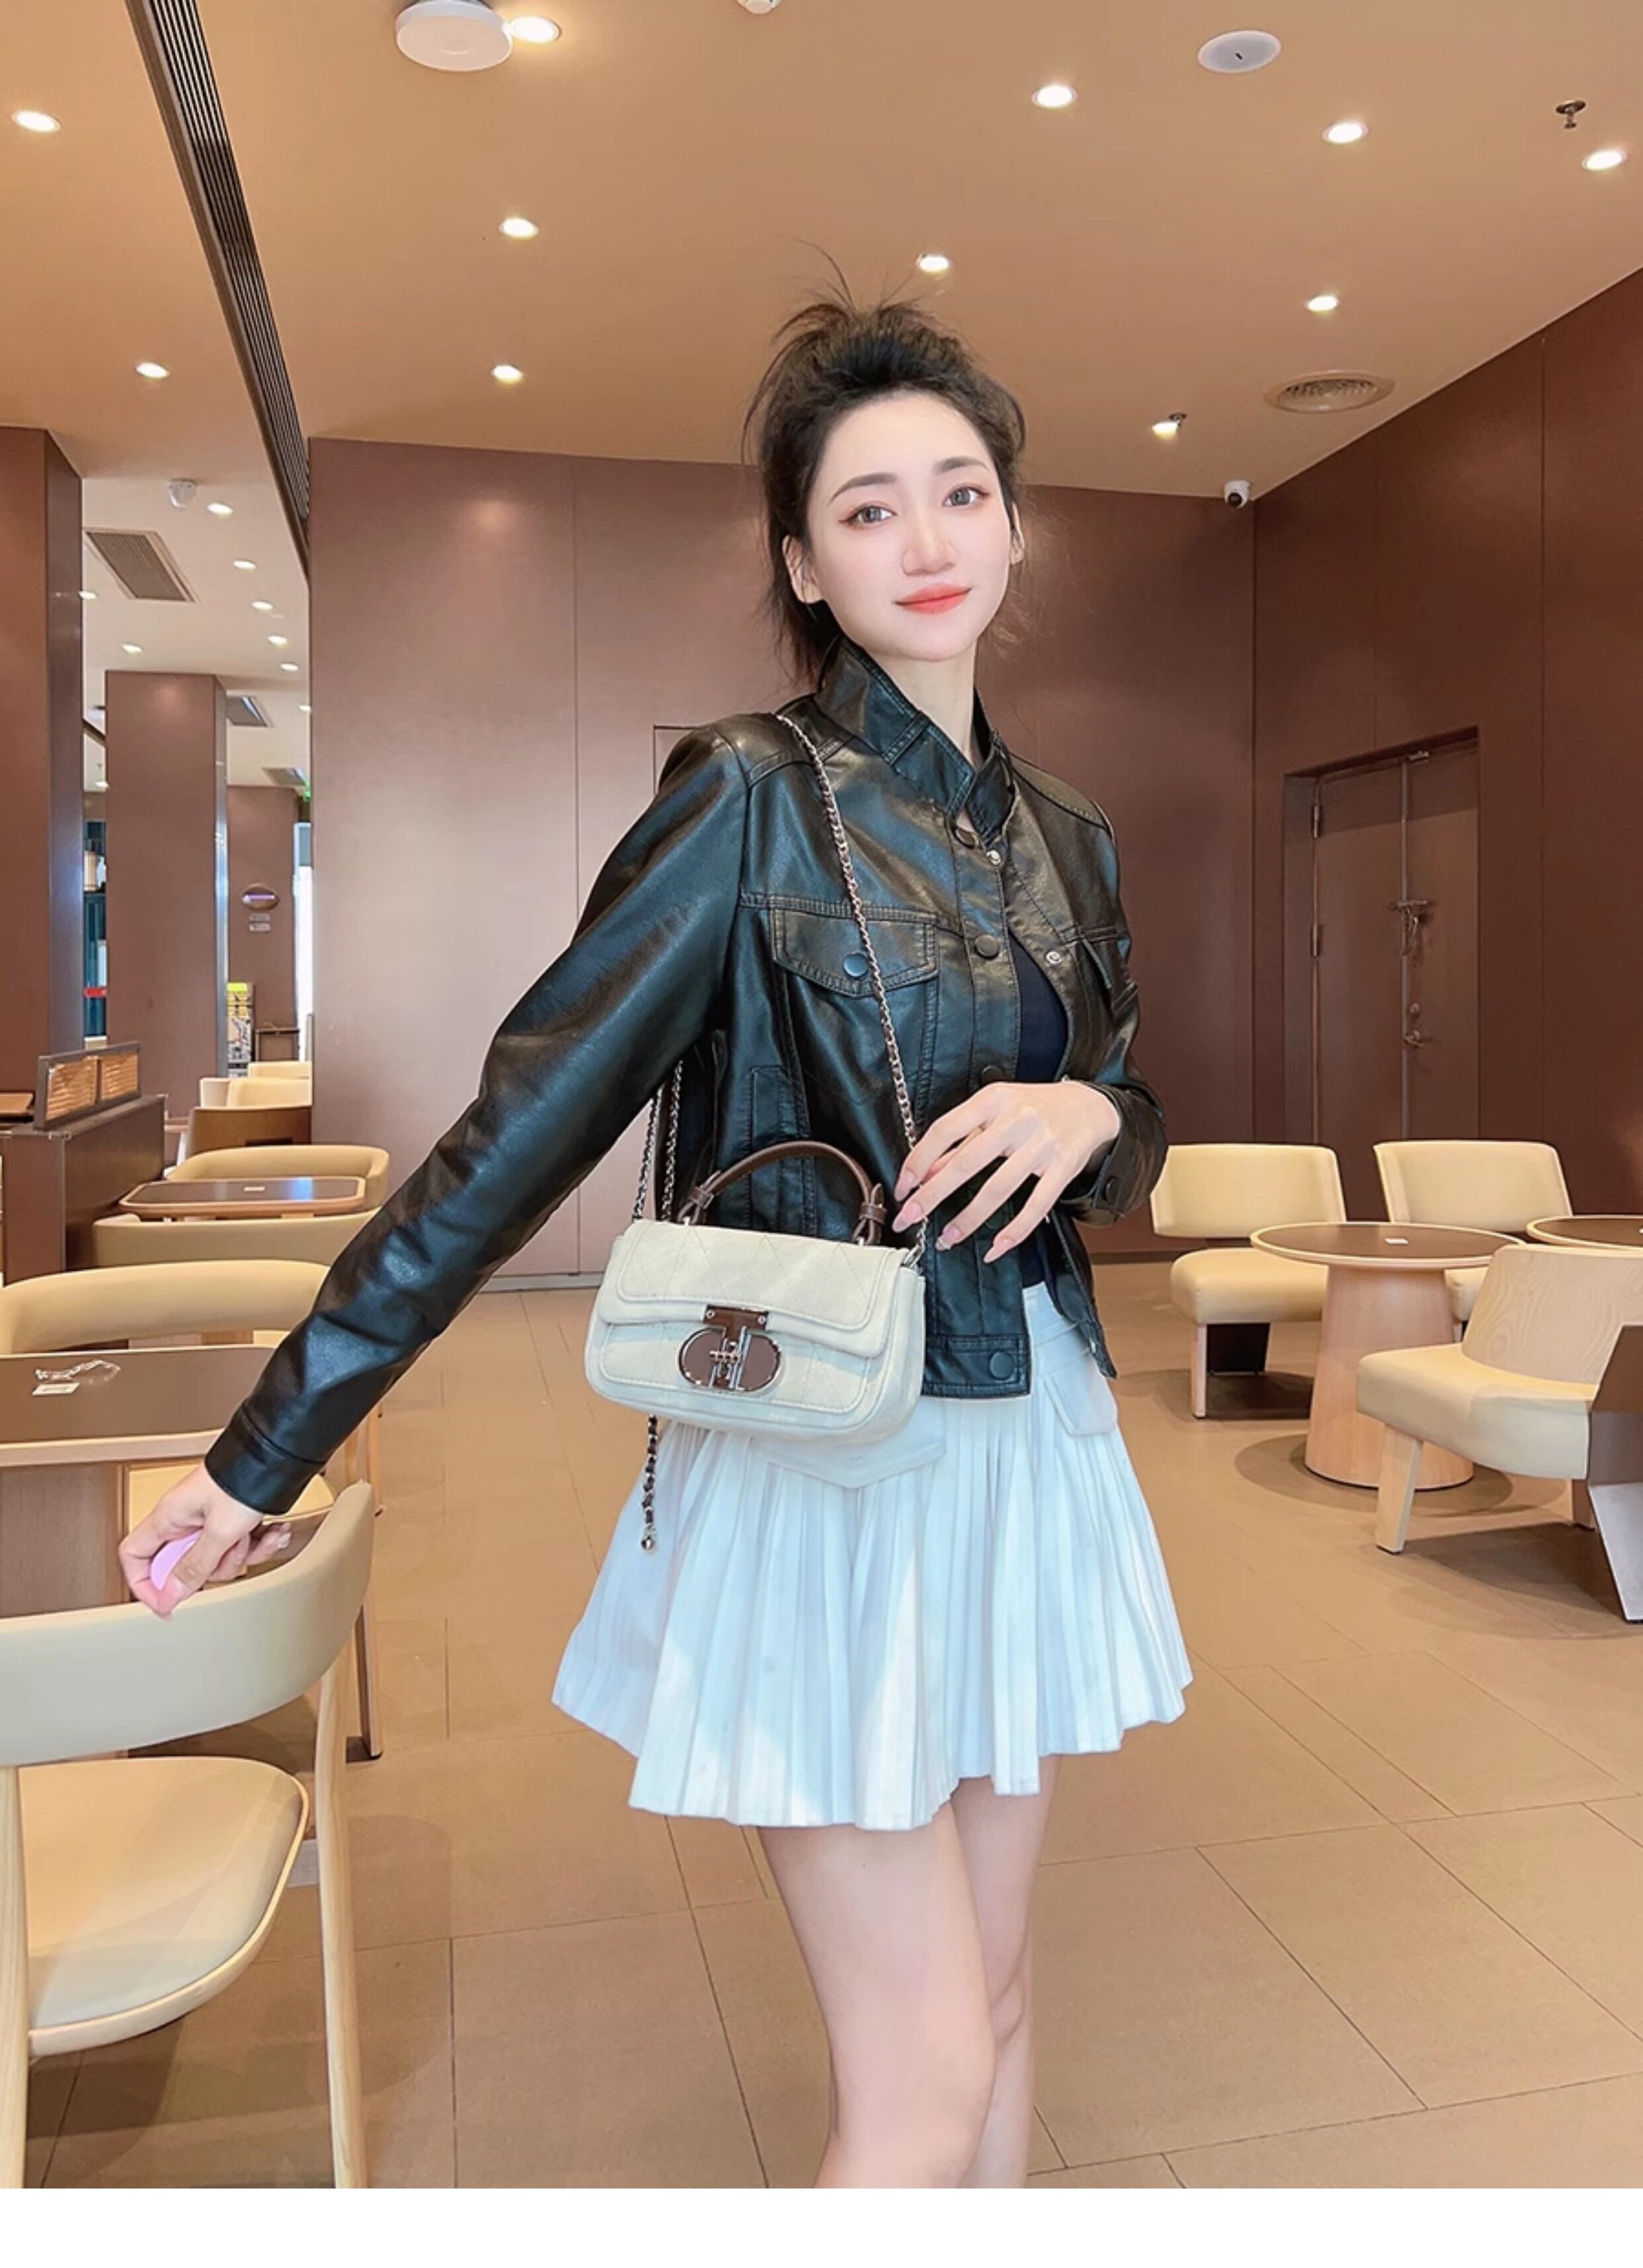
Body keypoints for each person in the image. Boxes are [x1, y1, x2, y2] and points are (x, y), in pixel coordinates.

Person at [121, 291, 1191, 2188]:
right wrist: (266, 1445)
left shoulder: (1072, 835)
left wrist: (1096, 1114)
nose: (926, 540)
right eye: (867, 507)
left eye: (960, 492)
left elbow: (1126, 1108)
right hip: (830, 1461)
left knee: (1004, 2000)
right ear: (801, 561)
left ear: (1017, 527)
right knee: (926, 2071)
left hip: (1030, 1440)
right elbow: (518, 1132)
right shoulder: (747, 794)